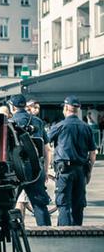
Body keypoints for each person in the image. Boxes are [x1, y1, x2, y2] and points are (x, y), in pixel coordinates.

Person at [48, 96, 97, 226]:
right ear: (78, 110)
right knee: (78, 204)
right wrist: (89, 172)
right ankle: (77, 233)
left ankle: (65, 234)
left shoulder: (59, 126)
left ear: (65, 108)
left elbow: (45, 144)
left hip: (64, 170)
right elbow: (92, 153)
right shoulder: (86, 127)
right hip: (81, 170)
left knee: (63, 204)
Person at [9, 95, 52, 226]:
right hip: (35, 168)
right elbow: (47, 149)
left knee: (9, 204)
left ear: (13, 107)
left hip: (15, 169)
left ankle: (10, 232)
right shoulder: (38, 122)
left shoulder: (8, 123)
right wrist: (44, 171)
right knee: (39, 205)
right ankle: (46, 233)